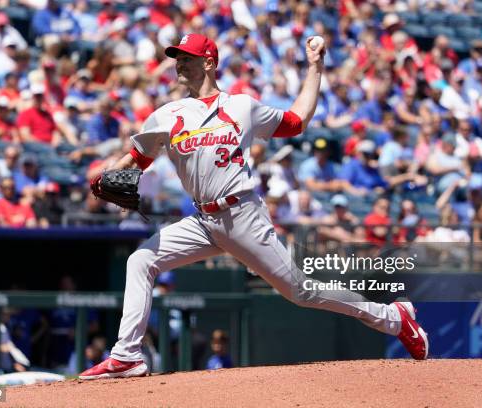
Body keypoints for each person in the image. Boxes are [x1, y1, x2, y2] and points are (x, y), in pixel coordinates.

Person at [79, 33, 428, 380]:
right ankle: (127, 356)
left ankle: (393, 318)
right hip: (203, 219)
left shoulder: (241, 107)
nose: (179, 63)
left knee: (301, 291)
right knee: (141, 260)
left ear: (209, 62)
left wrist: (315, 67)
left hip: (242, 215)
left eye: (187, 56)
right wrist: (108, 172)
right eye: (177, 57)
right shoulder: (166, 115)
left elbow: (297, 121)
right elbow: (138, 159)